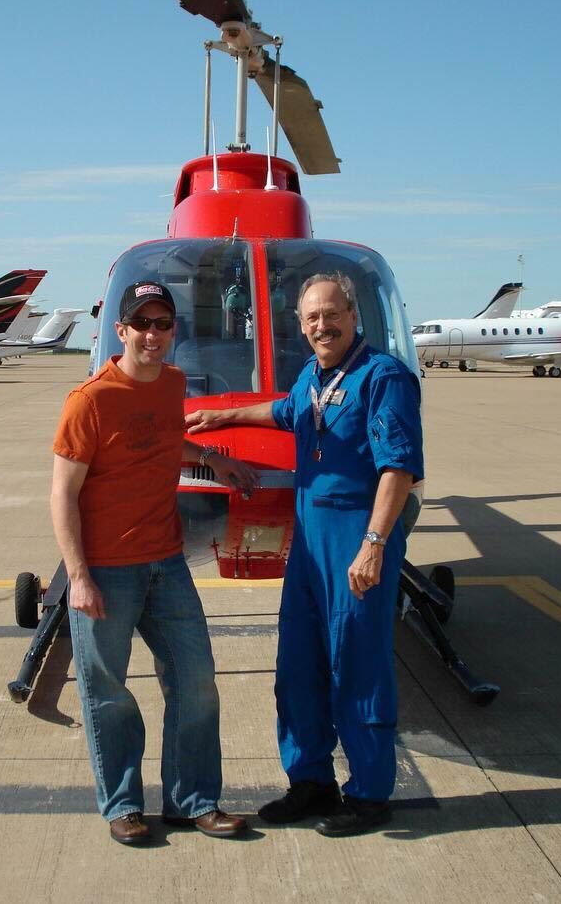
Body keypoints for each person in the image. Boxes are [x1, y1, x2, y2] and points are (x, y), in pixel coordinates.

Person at [185, 272, 424, 837]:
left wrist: (373, 545)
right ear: (301, 324)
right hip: (310, 544)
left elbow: (399, 467)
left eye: (332, 313)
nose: (323, 324)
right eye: (312, 317)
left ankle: (367, 795)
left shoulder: (383, 376)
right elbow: (288, 412)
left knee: (357, 664)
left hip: (356, 538)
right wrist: (223, 417)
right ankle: (309, 781)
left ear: (353, 315)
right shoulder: (316, 376)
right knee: (299, 665)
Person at [51, 280, 258, 846]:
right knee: (109, 692)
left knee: (196, 683)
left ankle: (194, 802)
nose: (152, 334)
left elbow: (166, 440)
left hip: (166, 562)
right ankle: (122, 805)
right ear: (120, 331)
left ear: (173, 332)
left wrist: (217, 460)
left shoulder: (170, 384)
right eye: (141, 324)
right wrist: (78, 577)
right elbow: (62, 496)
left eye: (162, 324)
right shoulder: (89, 400)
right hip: (107, 571)